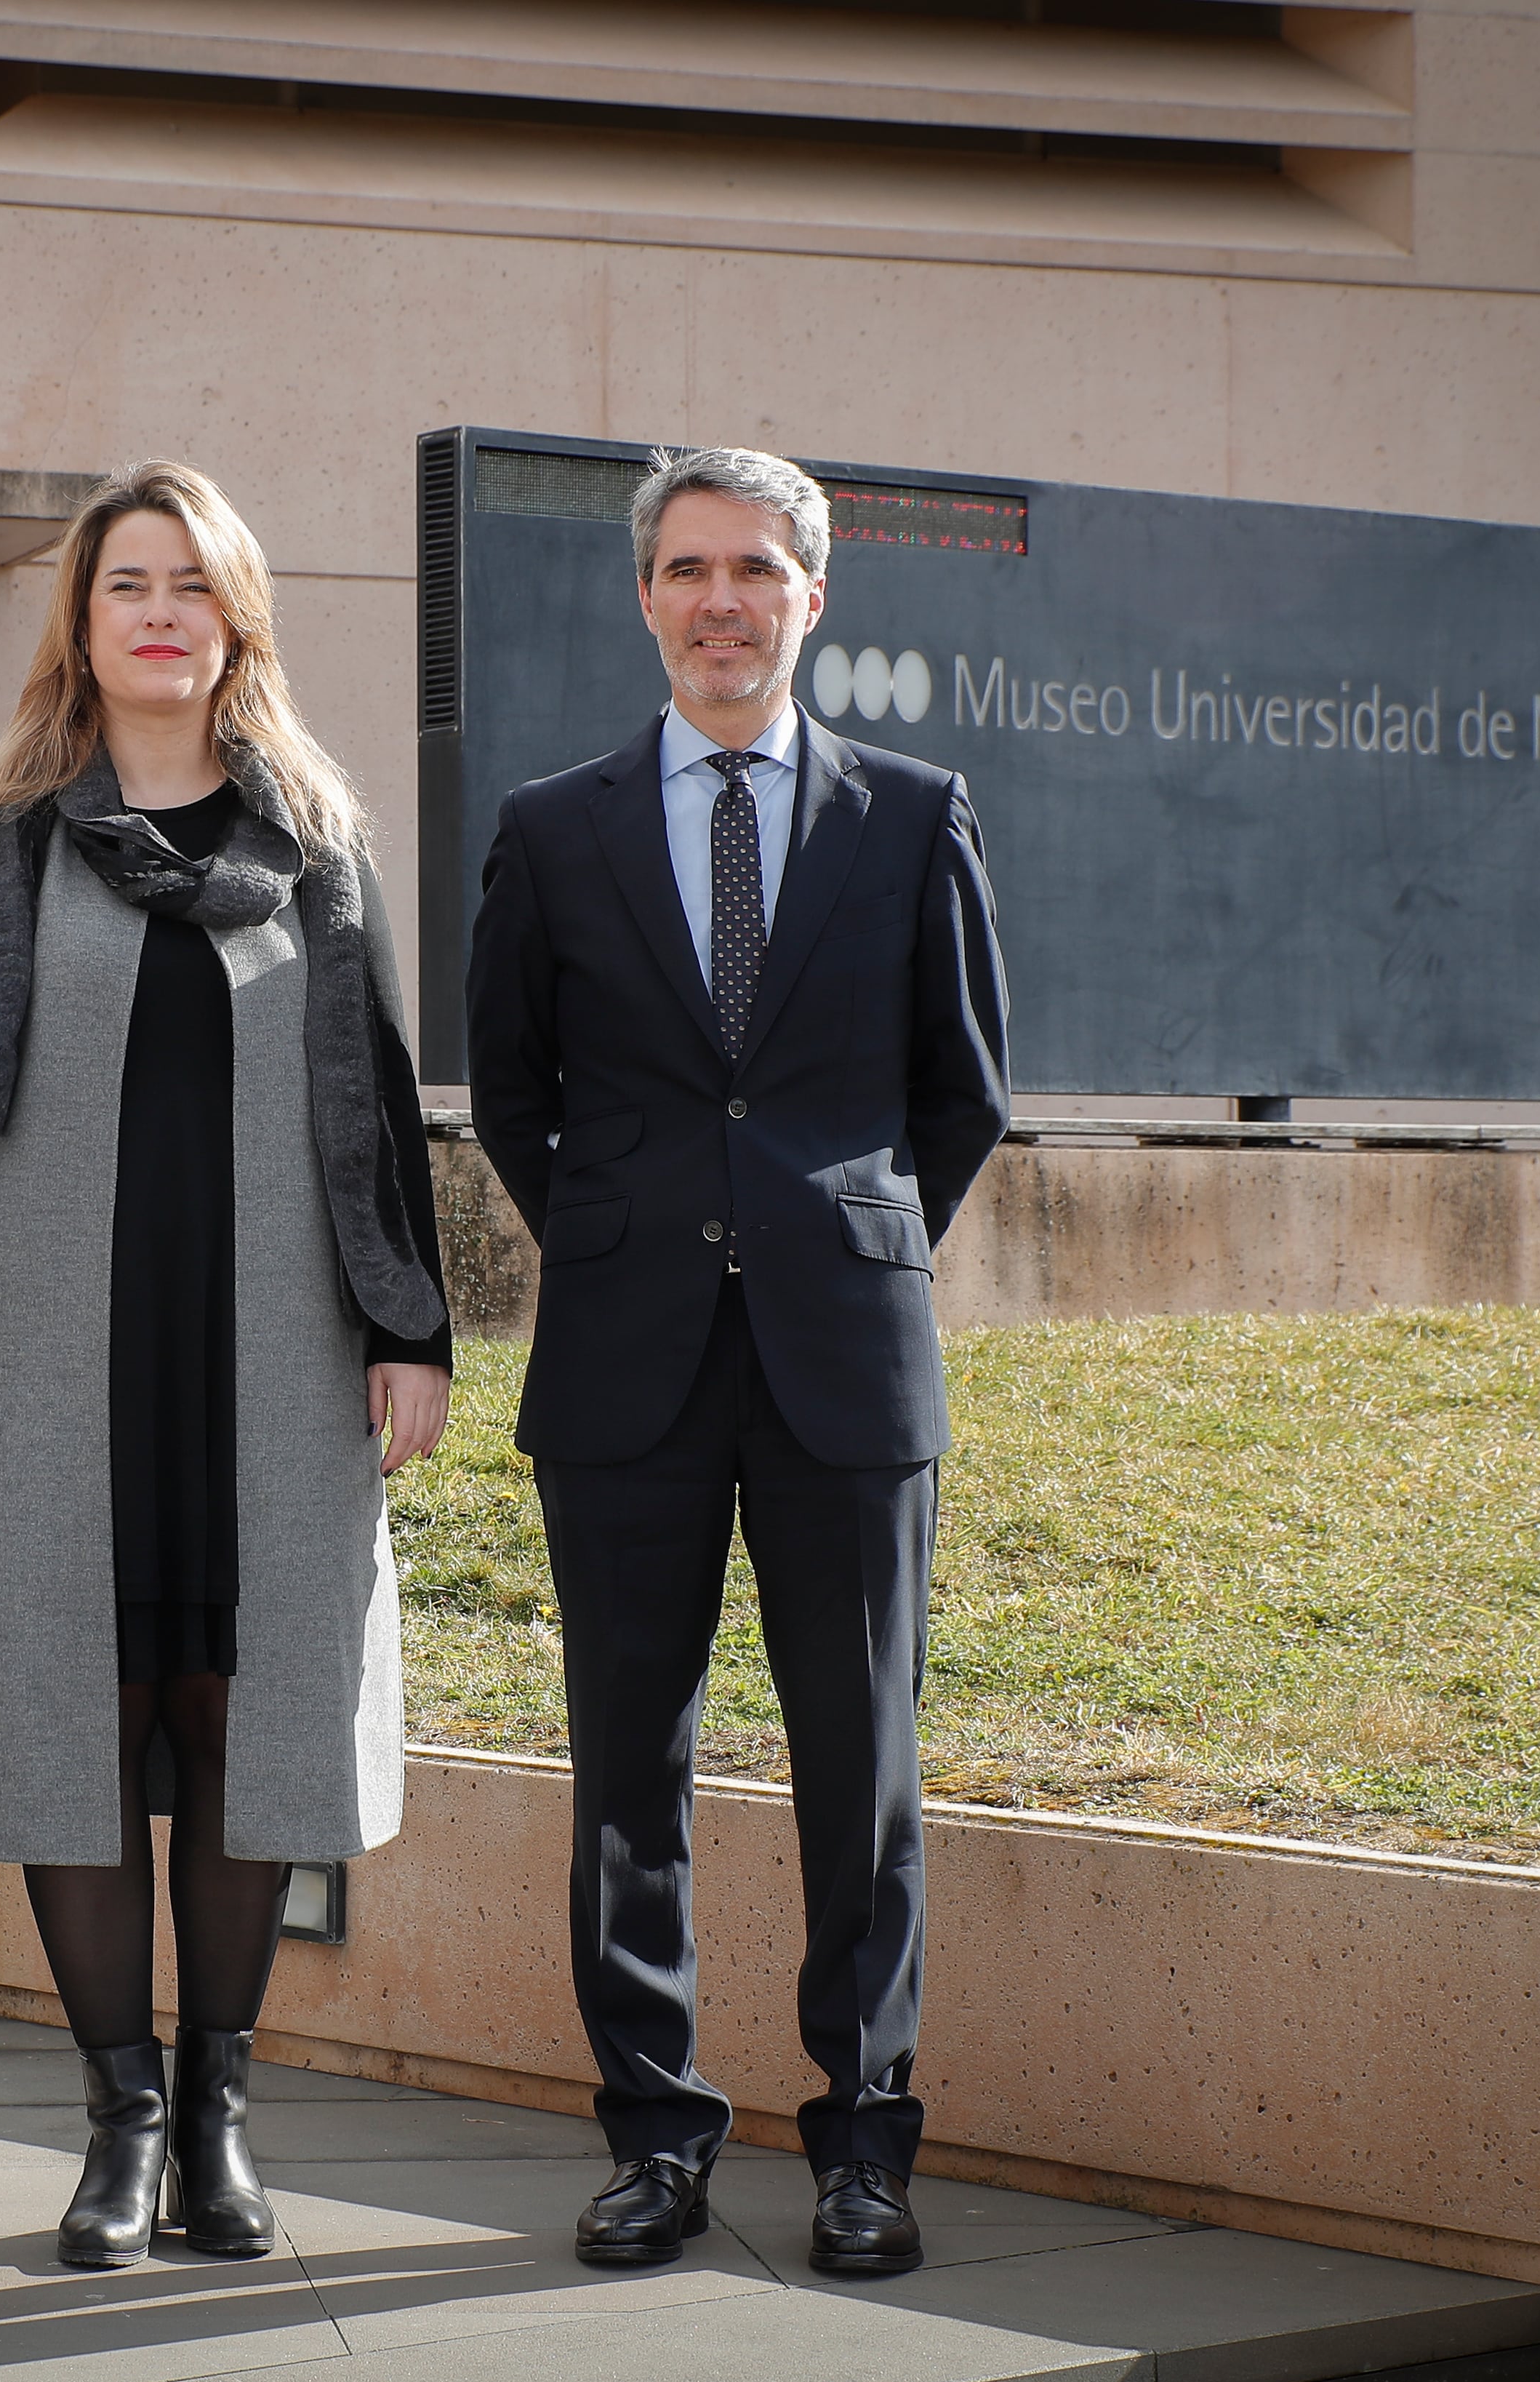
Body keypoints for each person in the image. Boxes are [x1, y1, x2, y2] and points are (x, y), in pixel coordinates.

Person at [0, 461, 453, 2269]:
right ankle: (117, 2119)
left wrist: (408, 1325)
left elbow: (380, 1111)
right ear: (84, 620)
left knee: (238, 1715)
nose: (160, 613)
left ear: (235, 620)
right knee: (78, 1714)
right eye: (129, 582)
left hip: (267, 1356)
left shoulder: (316, 855)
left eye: (192, 584)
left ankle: (219, 2112)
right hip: (55, 1359)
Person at [463, 446, 1009, 2277]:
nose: (720, 600)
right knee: (629, 1763)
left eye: (755, 569)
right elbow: (516, 1095)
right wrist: (628, 1240)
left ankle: (864, 2144)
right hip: (626, 1363)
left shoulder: (913, 812)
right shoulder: (552, 828)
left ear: (812, 596)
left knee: (861, 1766)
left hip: (845, 1362)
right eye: (688, 568)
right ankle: (654, 2132)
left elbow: (964, 1093)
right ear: (645, 598)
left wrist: (835, 1241)